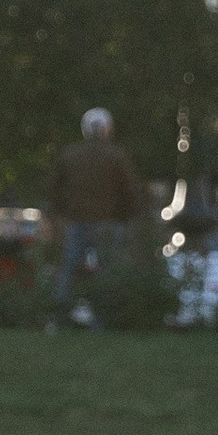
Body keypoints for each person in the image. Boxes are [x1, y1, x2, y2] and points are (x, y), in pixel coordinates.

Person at [51, 107, 144, 308]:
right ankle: (105, 313)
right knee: (109, 269)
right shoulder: (116, 156)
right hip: (108, 222)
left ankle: (62, 312)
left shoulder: (70, 155)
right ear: (107, 129)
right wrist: (123, 216)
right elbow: (131, 191)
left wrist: (65, 212)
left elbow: (55, 190)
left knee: (70, 268)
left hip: (76, 220)